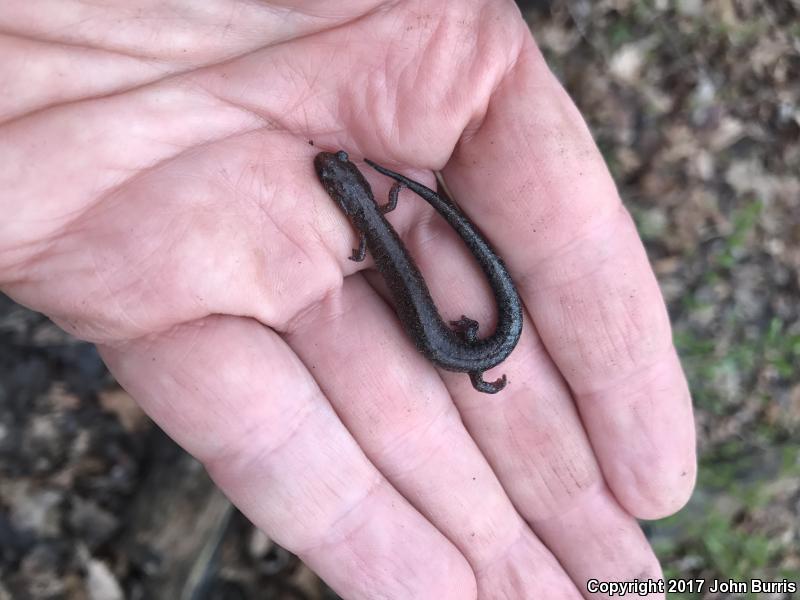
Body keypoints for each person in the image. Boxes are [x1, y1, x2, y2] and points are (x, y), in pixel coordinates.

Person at [0, 1, 696, 598]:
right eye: (337, 179)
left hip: (462, 346)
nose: (336, 176)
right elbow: (376, 235)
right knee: (442, 293)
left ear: (350, 198)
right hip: (461, 347)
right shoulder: (373, 215)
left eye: (339, 178)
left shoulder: (368, 227)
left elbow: (374, 243)